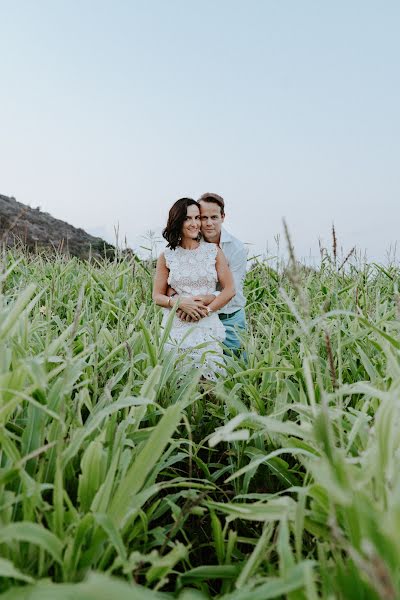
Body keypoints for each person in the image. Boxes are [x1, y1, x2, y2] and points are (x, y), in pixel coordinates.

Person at [152, 197, 236, 381]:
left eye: (197, 218)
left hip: (206, 325)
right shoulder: (166, 256)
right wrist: (178, 302)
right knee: (177, 383)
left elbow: (229, 290)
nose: (195, 223)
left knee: (211, 386)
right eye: (188, 218)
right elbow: (157, 296)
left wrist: (205, 310)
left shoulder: (213, 251)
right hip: (176, 326)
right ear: (178, 221)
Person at [173, 193, 247, 354]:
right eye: (203, 217)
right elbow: (175, 279)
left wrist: (205, 302)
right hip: (192, 316)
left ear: (223, 217)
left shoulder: (236, 248)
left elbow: (230, 290)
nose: (208, 223)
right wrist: (179, 301)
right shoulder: (189, 241)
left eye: (214, 217)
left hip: (229, 317)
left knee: (232, 369)